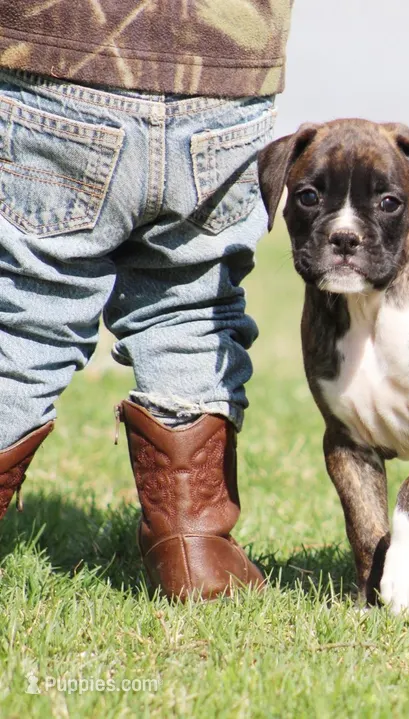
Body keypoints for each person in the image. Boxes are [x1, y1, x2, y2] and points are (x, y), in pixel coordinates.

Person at [0, 2, 293, 600]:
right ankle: (195, 552)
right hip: (222, 69)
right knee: (190, 307)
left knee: (29, 319)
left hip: (60, 52)